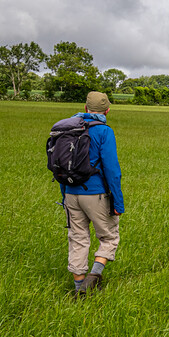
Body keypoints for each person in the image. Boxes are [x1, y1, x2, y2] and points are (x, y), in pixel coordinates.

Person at [62, 91, 124, 295]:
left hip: (70, 192)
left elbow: (61, 166)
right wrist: (118, 203)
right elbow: (112, 171)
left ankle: (79, 290)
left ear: (86, 107)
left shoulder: (69, 128)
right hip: (96, 194)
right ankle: (94, 277)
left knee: (78, 238)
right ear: (107, 111)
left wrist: (65, 195)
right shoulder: (104, 131)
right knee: (109, 237)